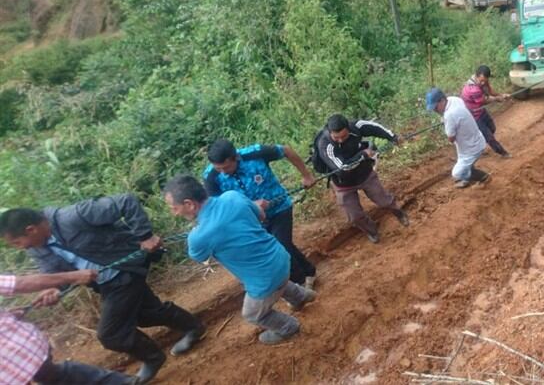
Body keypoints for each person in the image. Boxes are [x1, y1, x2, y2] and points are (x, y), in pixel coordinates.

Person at [0, 196, 204, 385]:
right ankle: (193, 326)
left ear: (30, 229)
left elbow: (126, 201)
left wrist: (146, 236)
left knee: (111, 334)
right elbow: (53, 274)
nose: (21, 247)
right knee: (144, 314)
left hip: (125, 270)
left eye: (17, 242)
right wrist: (53, 290)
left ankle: (153, 357)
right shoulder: (37, 248)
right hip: (105, 284)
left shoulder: (71, 217)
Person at [163, 175, 316, 345]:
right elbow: (261, 215)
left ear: (189, 204)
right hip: (280, 256)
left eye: (173, 208)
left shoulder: (198, 237)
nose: (174, 213)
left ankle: (289, 327)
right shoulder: (232, 196)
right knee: (276, 281)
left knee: (252, 314)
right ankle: (301, 296)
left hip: (266, 278)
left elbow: (200, 257)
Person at [204, 139, 318, 289]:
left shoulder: (255, 153)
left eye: (226, 167)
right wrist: (249, 206)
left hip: (279, 208)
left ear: (236, 157)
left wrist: (306, 175)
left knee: (280, 246)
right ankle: (309, 272)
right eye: (219, 169)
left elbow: (286, 150)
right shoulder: (211, 177)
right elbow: (218, 207)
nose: (223, 172)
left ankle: (300, 283)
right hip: (252, 219)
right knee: (280, 245)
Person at [1, 270, 138, 384]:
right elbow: (20, 284)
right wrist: (74, 276)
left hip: (15, 356)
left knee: (52, 375)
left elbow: (20, 284)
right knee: (53, 374)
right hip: (19, 352)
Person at [315, 115, 408, 244]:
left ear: (348, 128)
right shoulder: (325, 146)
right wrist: (363, 154)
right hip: (343, 184)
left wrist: (393, 137)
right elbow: (343, 169)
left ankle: (399, 213)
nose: (341, 140)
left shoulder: (356, 127)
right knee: (355, 216)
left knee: (384, 201)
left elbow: (375, 128)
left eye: (344, 136)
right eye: (337, 138)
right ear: (330, 133)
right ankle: (372, 231)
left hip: (365, 174)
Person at [426, 87, 489, 188]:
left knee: (456, 173)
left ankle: (483, 177)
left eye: (435, 107)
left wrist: (445, 123)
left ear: (442, 101)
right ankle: (467, 178)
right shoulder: (454, 99)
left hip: (471, 148)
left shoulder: (449, 115)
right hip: (475, 139)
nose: (434, 110)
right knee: (466, 164)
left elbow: (451, 139)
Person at [461, 65, 511, 158]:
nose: (483, 83)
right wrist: (498, 99)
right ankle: (503, 153)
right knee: (489, 136)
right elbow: (483, 101)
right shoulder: (472, 89)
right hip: (473, 115)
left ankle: (479, 145)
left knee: (492, 128)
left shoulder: (483, 81)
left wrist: (502, 95)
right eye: (481, 81)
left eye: (485, 80)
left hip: (480, 111)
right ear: (476, 76)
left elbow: (490, 92)